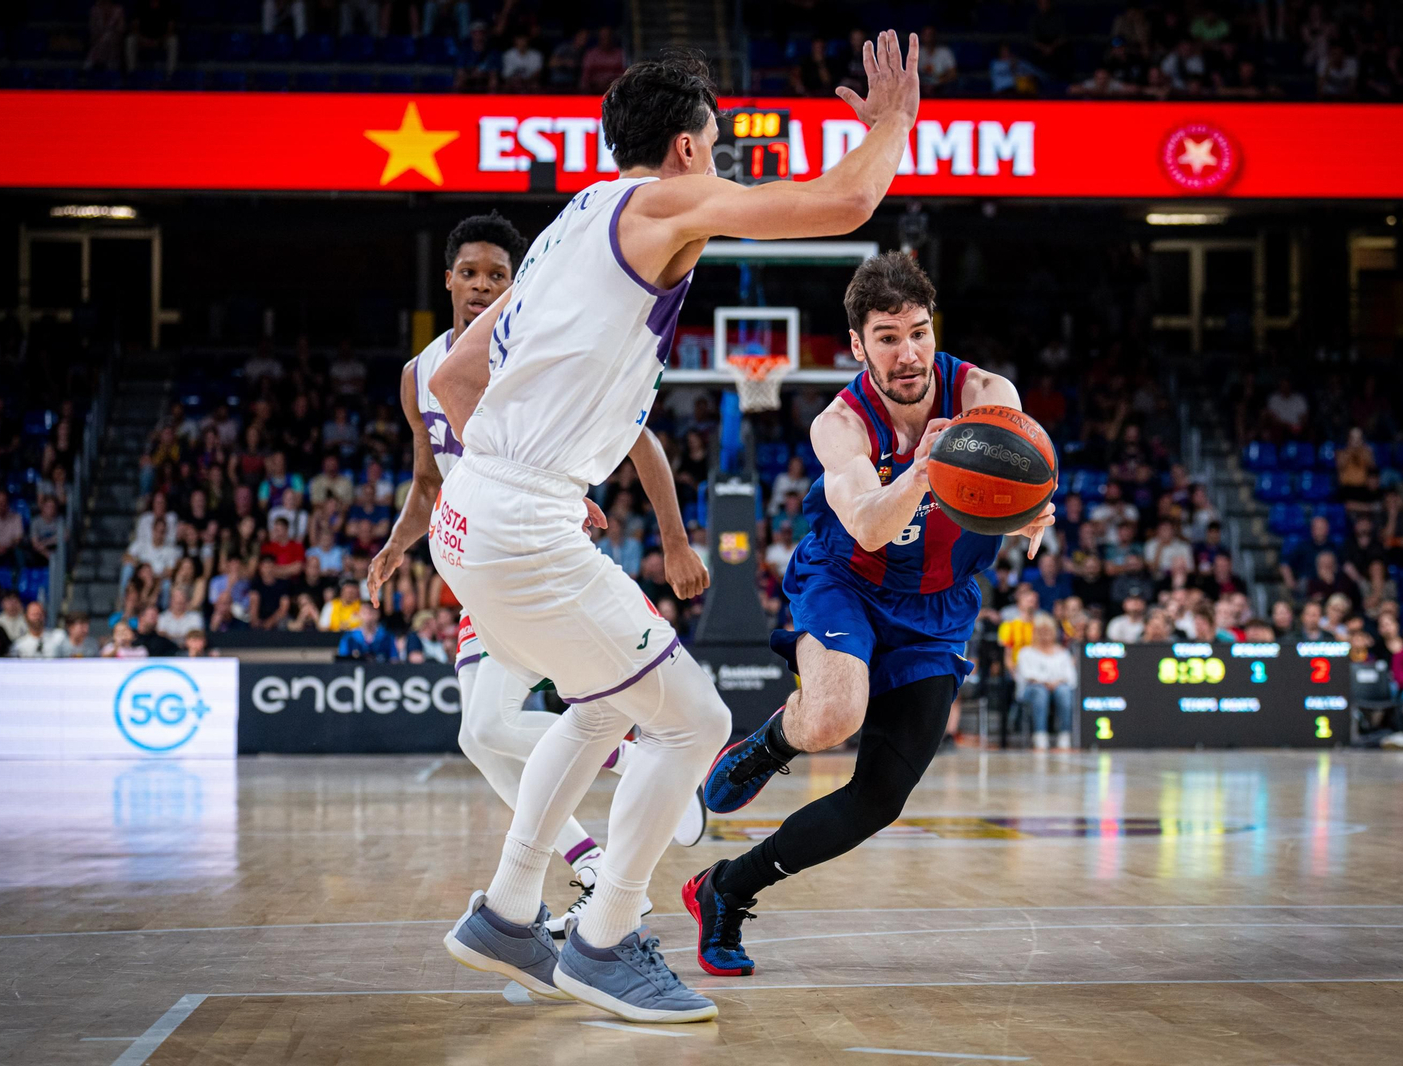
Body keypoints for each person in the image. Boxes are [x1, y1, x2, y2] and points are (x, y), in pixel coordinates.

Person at [423, 38, 942, 1023]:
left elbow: (452, 381)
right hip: (520, 523)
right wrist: (889, 127)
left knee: (600, 706)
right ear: (684, 150)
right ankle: (607, 937)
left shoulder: (572, 219)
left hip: (472, 516)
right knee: (693, 721)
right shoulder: (657, 203)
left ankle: (506, 911)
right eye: (714, 147)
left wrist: (535, 450)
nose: (720, 166)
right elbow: (842, 207)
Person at [688, 250, 1054, 979]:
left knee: (881, 799)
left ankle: (724, 889)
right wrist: (926, 465)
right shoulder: (841, 424)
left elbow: (1030, 487)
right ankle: (766, 747)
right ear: (858, 346)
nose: (909, 351)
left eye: (918, 331)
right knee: (831, 717)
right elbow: (870, 528)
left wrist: (1030, 512)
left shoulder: (986, 393)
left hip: (938, 605)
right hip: (846, 579)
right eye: (887, 337)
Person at [365, 210, 712, 939]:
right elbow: (429, 480)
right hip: (473, 560)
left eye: (498, 275)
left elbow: (641, 442)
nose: (482, 286)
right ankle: (594, 862)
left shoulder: (536, 348)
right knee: (483, 734)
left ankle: (630, 791)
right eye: (470, 274)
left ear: (516, 284)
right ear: (450, 280)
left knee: (511, 724)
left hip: (532, 552)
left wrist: (675, 543)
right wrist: (398, 543)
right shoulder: (418, 374)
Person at [1015, 613, 1076, 749]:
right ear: (1035, 632)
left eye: (1048, 631)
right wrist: (1046, 682)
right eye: (1041, 631)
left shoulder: (1063, 653)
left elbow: (1071, 677)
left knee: (1064, 691)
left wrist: (1056, 683)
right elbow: (1027, 675)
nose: (1044, 634)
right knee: (1040, 691)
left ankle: (1065, 735)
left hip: (1058, 687)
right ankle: (1040, 735)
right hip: (1032, 690)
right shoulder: (1026, 652)